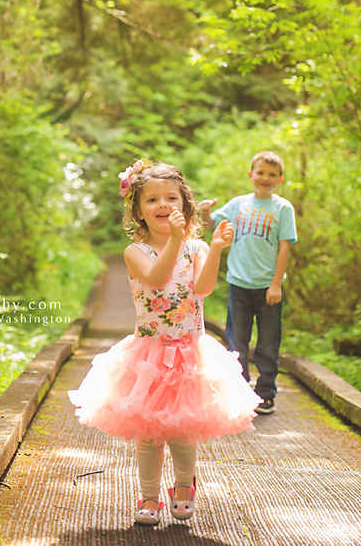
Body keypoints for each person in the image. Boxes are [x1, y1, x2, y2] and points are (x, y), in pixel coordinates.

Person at [69, 159, 261, 527]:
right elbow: (157, 280)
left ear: (185, 206)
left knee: (182, 429)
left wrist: (217, 249)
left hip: (191, 351)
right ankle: (149, 496)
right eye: (152, 200)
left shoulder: (197, 247)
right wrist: (175, 240)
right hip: (149, 354)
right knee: (148, 433)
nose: (162, 205)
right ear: (138, 212)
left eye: (171, 198)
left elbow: (203, 288)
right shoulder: (136, 253)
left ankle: (184, 488)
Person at [199, 151, 298, 415]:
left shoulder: (283, 208)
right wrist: (206, 211)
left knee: (267, 342)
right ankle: (239, 393)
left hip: (268, 287)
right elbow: (209, 225)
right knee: (237, 341)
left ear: (280, 179)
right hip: (239, 284)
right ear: (250, 175)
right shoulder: (237, 204)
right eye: (261, 172)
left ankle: (265, 394)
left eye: (272, 174)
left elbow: (285, 247)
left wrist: (276, 284)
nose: (265, 178)